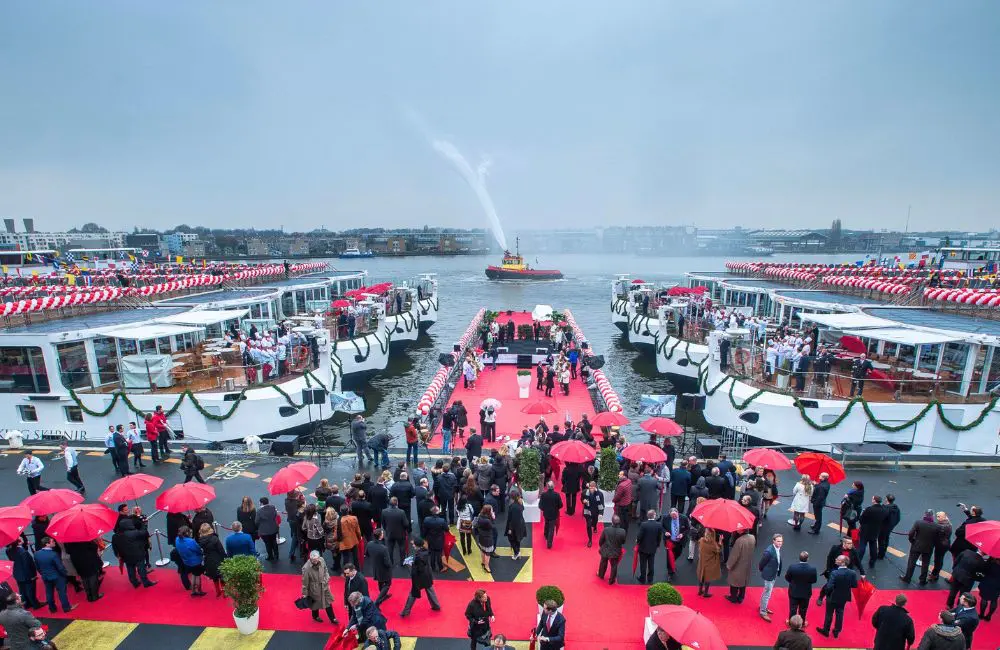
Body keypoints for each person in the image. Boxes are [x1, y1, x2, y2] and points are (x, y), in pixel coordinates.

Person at [815, 555, 858, 639]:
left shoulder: (835, 573)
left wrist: (827, 594)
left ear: (842, 562)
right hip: (844, 596)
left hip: (832, 596)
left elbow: (829, 586)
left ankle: (826, 630)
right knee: (840, 613)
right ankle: (836, 631)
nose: (835, 559)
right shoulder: (852, 573)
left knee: (829, 614)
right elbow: (854, 585)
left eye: (837, 559)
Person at [400, 537, 441, 617]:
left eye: (414, 544)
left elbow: (419, 569)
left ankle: (405, 612)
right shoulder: (425, 552)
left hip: (419, 578)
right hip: (427, 576)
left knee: (413, 594)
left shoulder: (418, 556)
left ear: (418, 545)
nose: (413, 546)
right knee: (430, 591)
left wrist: (411, 564)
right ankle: (436, 606)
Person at [111, 518, 156, 589]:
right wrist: (144, 524)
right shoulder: (134, 532)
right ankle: (145, 582)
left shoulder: (115, 536)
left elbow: (115, 547)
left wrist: (117, 555)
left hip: (125, 556)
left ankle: (134, 582)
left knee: (130, 569)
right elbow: (145, 533)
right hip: (137, 554)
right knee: (141, 568)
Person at [33, 538, 74, 613]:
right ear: (47, 544)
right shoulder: (54, 554)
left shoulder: (36, 554)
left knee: (49, 592)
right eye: (52, 541)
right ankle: (66, 607)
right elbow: (60, 567)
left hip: (45, 576)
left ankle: (52, 608)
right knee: (62, 592)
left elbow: (37, 567)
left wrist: (43, 573)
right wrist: (65, 574)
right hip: (57, 576)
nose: (54, 542)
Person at [301, 550, 339, 624]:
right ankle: (315, 616)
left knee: (328, 602)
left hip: (324, 586)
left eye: (316, 559)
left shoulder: (322, 560)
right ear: (310, 559)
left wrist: (327, 578)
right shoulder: (306, 568)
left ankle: (333, 618)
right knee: (315, 604)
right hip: (314, 588)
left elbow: (325, 570)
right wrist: (304, 593)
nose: (315, 561)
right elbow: (305, 582)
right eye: (313, 560)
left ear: (319, 557)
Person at [902, 510, 938, 585]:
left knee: (911, 562)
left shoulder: (918, 522)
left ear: (925, 514)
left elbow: (911, 533)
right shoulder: (936, 526)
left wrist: (912, 541)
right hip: (928, 547)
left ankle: (907, 578)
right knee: (925, 564)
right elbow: (937, 538)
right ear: (932, 515)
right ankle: (922, 580)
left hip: (916, 545)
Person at [784, 551, 818, 626]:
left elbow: (787, 578)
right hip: (806, 593)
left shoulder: (792, 567)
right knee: (803, 609)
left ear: (799, 558)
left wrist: (793, 583)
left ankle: (791, 623)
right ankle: (802, 623)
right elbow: (814, 580)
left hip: (794, 591)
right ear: (808, 559)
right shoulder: (812, 569)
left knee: (793, 608)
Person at [6, 539, 41, 610]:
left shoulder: (9, 550)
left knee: (22, 590)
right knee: (30, 590)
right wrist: (32, 576)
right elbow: (27, 565)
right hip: (26, 575)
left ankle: (27, 604)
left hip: (17, 573)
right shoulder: (23, 552)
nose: (22, 538)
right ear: (19, 542)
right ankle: (35, 604)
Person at [196, 523, 227, 598]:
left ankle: (218, 591)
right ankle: (224, 592)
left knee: (214, 577)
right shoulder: (215, 539)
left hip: (209, 560)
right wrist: (225, 558)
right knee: (222, 577)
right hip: (218, 558)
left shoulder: (201, 540)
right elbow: (221, 550)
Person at [726, 530, 756, 604]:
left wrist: (729, 565)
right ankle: (741, 597)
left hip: (738, 565)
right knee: (743, 582)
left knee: (734, 582)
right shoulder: (752, 537)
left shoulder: (739, 541)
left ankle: (733, 597)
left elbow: (734, 556)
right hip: (747, 564)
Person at [857, 495, 888, 567]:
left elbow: (861, 519)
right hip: (876, 530)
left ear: (874, 500)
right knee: (873, 546)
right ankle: (872, 561)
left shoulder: (869, 509)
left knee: (862, 545)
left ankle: (858, 560)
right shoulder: (884, 510)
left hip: (865, 530)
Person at [758, 534, 783, 622]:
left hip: (773, 574)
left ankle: (762, 607)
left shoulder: (777, 548)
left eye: (781, 541)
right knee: (767, 594)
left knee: (766, 592)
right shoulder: (769, 552)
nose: (780, 543)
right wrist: (764, 571)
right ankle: (763, 611)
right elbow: (761, 564)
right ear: (773, 541)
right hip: (769, 575)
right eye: (778, 541)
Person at [175, 526, 206, 597]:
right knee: (197, 576)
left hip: (186, 561)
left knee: (193, 575)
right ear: (187, 533)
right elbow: (198, 549)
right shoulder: (190, 541)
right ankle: (199, 590)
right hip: (196, 562)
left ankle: (193, 591)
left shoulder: (177, 540)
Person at [365, 529, 393, 605]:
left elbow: (366, 554)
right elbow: (387, 563)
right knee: (388, 583)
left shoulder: (369, 544)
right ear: (380, 536)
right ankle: (379, 599)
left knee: (380, 582)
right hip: (384, 569)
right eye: (382, 533)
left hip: (375, 567)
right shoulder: (384, 549)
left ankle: (382, 595)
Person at [597, 515, 627, 585]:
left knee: (603, 562)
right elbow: (623, 542)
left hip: (606, 549)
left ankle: (601, 575)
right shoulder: (623, 531)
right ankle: (611, 580)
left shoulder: (606, 529)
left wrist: (602, 547)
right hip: (616, 551)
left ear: (612, 522)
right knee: (614, 565)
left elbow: (601, 540)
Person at [636, 510, 662, 585]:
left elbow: (639, 536)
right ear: (654, 515)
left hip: (643, 548)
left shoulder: (644, 524)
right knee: (651, 564)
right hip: (652, 548)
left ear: (648, 516)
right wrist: (657, 545)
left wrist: (637, 541)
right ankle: (650, 579)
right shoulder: (658, 525)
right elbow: (659, 537)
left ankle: (642, 578)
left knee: (643, 564)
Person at [696, 528, 721, 598]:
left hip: (701, 562)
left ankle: (700, 590)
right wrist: (720, 542)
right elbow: (718, 550)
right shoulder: (713, 544)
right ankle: (706, 593)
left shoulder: (701, 540)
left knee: (701, 576)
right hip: (709, 563)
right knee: (707, 578)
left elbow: (699, 543)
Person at [538, 481, 563, 550]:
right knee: (551, 528)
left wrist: (544, 509)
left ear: (547, 487)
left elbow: (540, 505)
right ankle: (549, 543)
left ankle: (546, 534)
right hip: (554, 514)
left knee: (546, 523)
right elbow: (561, 505)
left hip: (546, 513)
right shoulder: (557, 495)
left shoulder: (543, 495)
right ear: (553, 487)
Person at [930, 511, 953, 582]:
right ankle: (935, 573)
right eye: (937, 516)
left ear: (944, 517)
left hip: (941, 545)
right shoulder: (948, 523)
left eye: (939, 516)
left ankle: (935, 575)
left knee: (938, 560)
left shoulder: (941, 526)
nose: (937, 518)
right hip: (945, 544)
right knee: (939, 560)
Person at [255, 496, 280, 562]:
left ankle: (270, 556)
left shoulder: (259, 511)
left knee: (267, 543)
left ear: (261, 503)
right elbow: (275, 515)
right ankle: (276, 555)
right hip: (273, 528)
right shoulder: (272, 507)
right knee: (274, 541)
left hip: (264, 530)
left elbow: (256, 521)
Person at [580, 482, 604, 548]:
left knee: (594, 522)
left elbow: (601, 504)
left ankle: (595, 526)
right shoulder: (585, 492)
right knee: (588, 525)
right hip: (587, 511)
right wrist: (583, 501)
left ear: (595, 487)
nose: (591, 489)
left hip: (595, 511)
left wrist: (601, 513)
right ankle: (590, 540)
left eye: (593, 488)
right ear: (589, 487)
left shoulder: (599, 494)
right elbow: (581, 499)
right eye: (590, 487)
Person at [878, 493, 901, 559]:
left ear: (887, 499)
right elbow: (898, 518)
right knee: (886, 539)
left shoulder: (885, 508)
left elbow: (881, 517)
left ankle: (880, 554)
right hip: (890, 527)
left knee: (881, 540)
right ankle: (884, 551)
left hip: (883, 527)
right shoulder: (896, 508)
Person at [505, 493, 527, 560]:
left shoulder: (513, 506)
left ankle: (516, 553)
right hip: (520, 524)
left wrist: (510, 528)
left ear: (512, 498)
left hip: (514, 526)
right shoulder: (520, 503)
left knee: (512, 539)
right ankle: (518, 551)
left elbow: (512, 519)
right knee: (518, 539)